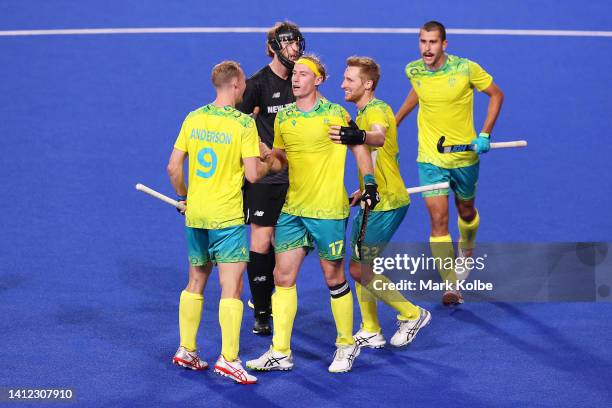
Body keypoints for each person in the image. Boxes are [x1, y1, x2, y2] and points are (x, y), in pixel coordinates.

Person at [246, 55, 379, 373]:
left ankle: (346, 345)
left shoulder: (335, 113)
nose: (295, 78)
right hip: (293, 209)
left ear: (318, 80)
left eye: (303, 74)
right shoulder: (285, 117)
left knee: (333, 277)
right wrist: (266, 159)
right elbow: (281, 159)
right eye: (295, 73)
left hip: (328, 211)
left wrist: (370, 183)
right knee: (283, 277)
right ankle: (280, 351)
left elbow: (360, 147)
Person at [167, 60, 270, 384]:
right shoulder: (243, 125)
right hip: (226, 218)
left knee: (196, 280)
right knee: (232, 286)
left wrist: (185, 197)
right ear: (237, 85)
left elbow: (173, 168)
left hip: (196, 215)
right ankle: (229, 359)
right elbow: (253, 175)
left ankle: (187, 348)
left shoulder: (193, 117)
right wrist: (270, 161)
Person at [395, 21, 504, 305]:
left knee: (465, 211)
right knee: (438, 219)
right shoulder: (413, 70)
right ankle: (451, 284)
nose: (426, 48)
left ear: (444, 44)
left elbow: (496, 95)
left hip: (465, 157)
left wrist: (485, 134)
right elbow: (419, 92)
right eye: (422, 42)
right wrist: (394, 123)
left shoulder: (466, 68)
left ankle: (467, 248)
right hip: (430, 159)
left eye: (432, 42)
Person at [328, 56, 431, 348]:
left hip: (387, 204)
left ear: (367, 84)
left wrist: (357, 135)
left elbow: (378, 137)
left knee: (360, 269)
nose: (342, 84)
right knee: (362, 263)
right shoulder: (361, 114)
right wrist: (362, 189)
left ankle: (412, 314)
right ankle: (371, 328)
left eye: (349, 79)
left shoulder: (378, 110)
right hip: (371, 200)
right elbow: (372, 160)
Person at [237, 21, 305, 335]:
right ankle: (262, 312)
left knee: (292, 242)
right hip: (266, 179)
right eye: (287, 43)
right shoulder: (258, 84)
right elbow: (235, 123)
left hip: (301, 176)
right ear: (273, 48)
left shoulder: (303, 80)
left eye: (297, 42)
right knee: (262, 242)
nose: (294, 49)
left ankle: (276, 291)